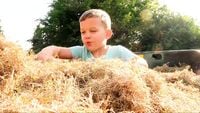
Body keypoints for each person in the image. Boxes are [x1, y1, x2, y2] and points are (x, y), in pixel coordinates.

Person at [36, 9, 148, 67]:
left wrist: (129, 68)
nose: (87, 35)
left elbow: (142, 63)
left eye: (93, 31)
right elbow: (58, 50)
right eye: (83, 32)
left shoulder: (118, 51)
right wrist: (46, 53)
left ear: (107, 34)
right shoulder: (81, 51)